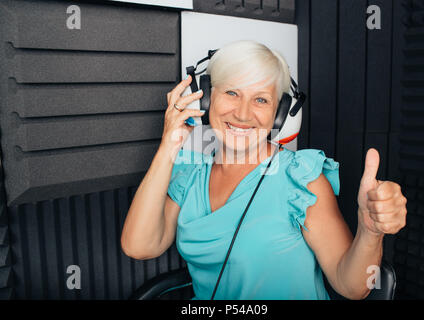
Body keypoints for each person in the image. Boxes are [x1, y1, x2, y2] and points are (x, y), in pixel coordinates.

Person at [121, 40, 407, 300]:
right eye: (232, 92)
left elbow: (352, 286)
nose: (243, 114)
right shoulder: (191, 175)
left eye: (261, 99)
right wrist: (169, 145)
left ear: (280, 114)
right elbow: (140, 246)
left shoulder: (301, 178)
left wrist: (370, 233)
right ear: (206, 98)